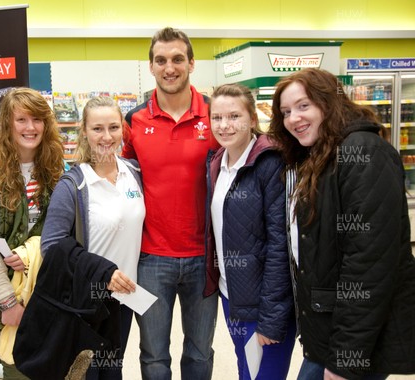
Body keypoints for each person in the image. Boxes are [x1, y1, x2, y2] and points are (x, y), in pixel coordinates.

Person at [269, 68, 415, 380]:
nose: (293, 118)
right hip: (331, 335)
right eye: (285, 112)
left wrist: (346, 360)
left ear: (329, 102)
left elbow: (369, 266)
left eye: (303, 105)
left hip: (354, 343)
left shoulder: (363, 152)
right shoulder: (322, 156)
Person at [122, 27, 219, 380]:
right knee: (153, 357)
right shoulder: (134, 121)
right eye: (161, 60)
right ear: (151, 67)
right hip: (150, 259)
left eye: (178, 58)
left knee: (199, 354)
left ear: (191, 63)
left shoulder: (215, 116)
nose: (170, 67)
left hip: (205, 258)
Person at [41, 96, 145, 379]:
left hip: (124, 301)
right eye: (97, 128)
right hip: (86, 302)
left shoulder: (133, 173)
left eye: (113, 127)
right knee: (87, 373)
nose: (106, 136)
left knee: (113, 371)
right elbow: (51, 246)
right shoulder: (73, 185)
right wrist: (101, 273)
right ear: (84, 131)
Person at [0, 87, 65, 379]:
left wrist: (31, 249)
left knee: (56, 362)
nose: (30, 127)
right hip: (9, 288)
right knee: (17, 363)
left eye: (37, 119)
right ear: (7, 124)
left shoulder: (58, 168)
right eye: (21, 119)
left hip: (49, 283)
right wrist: (8, 302)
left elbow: (66, 227)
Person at [206, 83, 295, 379]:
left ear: (253, 119)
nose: (224, 125)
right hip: (232, 296)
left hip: (265, 303)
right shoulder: (219, 162)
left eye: (234, 116)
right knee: (247, 371)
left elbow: (280, 246)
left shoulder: (270, 163)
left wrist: (271, 319)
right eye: (217, 117)